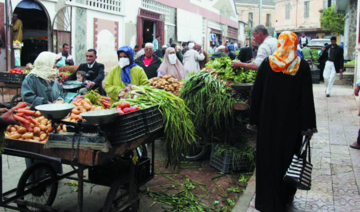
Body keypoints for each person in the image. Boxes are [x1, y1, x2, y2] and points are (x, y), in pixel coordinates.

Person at [249, 31, 317, 212]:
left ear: (280, 44)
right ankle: (285, 198)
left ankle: (265, 202)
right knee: (287, 159)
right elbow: (306, 99)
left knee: (267, 160)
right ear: (294, 44)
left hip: (267, 124)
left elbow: (257, 94)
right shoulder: (301, 66)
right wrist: (307, 127)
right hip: (291, 126)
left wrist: (254, 120)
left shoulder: (267, 63)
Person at [21, 52, 64, 174]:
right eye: (54, 62)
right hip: (36, 120)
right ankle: (36, 178)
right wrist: (45, 103)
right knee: (36, 149)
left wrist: (59, 101)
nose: (56, 65)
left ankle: (53, 175)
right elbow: (27, 97)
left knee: (54, 148)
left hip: (53, 119)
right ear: (46, 62)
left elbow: (60, 94)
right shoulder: (32, 78)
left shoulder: (52, 78)